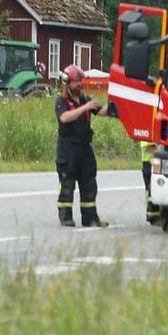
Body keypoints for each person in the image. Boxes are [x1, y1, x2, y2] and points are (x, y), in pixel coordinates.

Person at [55, 64, 109, 227]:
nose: (79, 84)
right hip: (68, 149)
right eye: (76, 82)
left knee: (89, 183)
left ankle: (90, 218)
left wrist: (115, 103)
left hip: (85, 148)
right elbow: (64, 117)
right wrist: (85, 107)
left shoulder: (85, 98)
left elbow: (100, 111)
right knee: (68, 184)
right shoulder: (62, 100)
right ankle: (65, 217)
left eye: (80, 81)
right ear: (68, 83)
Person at [139, 141, 161, 225]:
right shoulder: (148, 135)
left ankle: (155, 215)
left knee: (153, 191)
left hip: (152, 162)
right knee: (151, 190)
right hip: (150, 163)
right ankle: (152, 216)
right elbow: (150, 148)